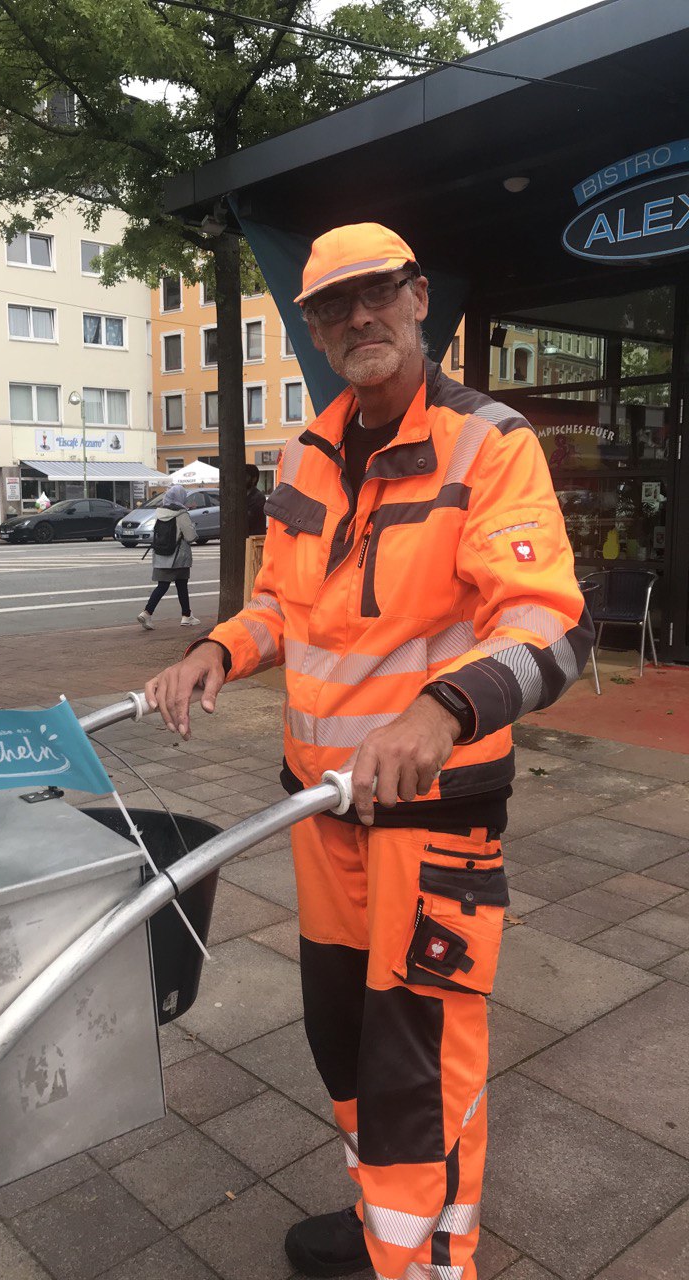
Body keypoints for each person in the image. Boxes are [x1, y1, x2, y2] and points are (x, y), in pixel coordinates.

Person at [144, 223, 592, 1280]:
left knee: (421, 1067)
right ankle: (377, 1219)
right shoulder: (308, 448)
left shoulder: (491, 443)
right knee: (341, 1040)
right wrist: (218, 648)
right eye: (332, 305)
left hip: (433, 824)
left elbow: (550, 624)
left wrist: (442, 713)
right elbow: (280, 605)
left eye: (376, 294)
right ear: (310, 325)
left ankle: (436, 1263)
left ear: (418, 298)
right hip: (322, 812)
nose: (358, 317)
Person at [137, 483, 200, 629]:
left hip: (161, 555)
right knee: (182, 585)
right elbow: (191, 537)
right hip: (179, 557)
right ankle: (185, 616)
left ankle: (148, 613)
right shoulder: (181, 514)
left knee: (162, 586)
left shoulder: (160, 513)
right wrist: (193, 528)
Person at [246, 463, 267, 536]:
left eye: (245, 476)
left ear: (254, 479)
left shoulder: (258, 497)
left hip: (255, 538)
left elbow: (249, 518)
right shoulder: (240, 496)